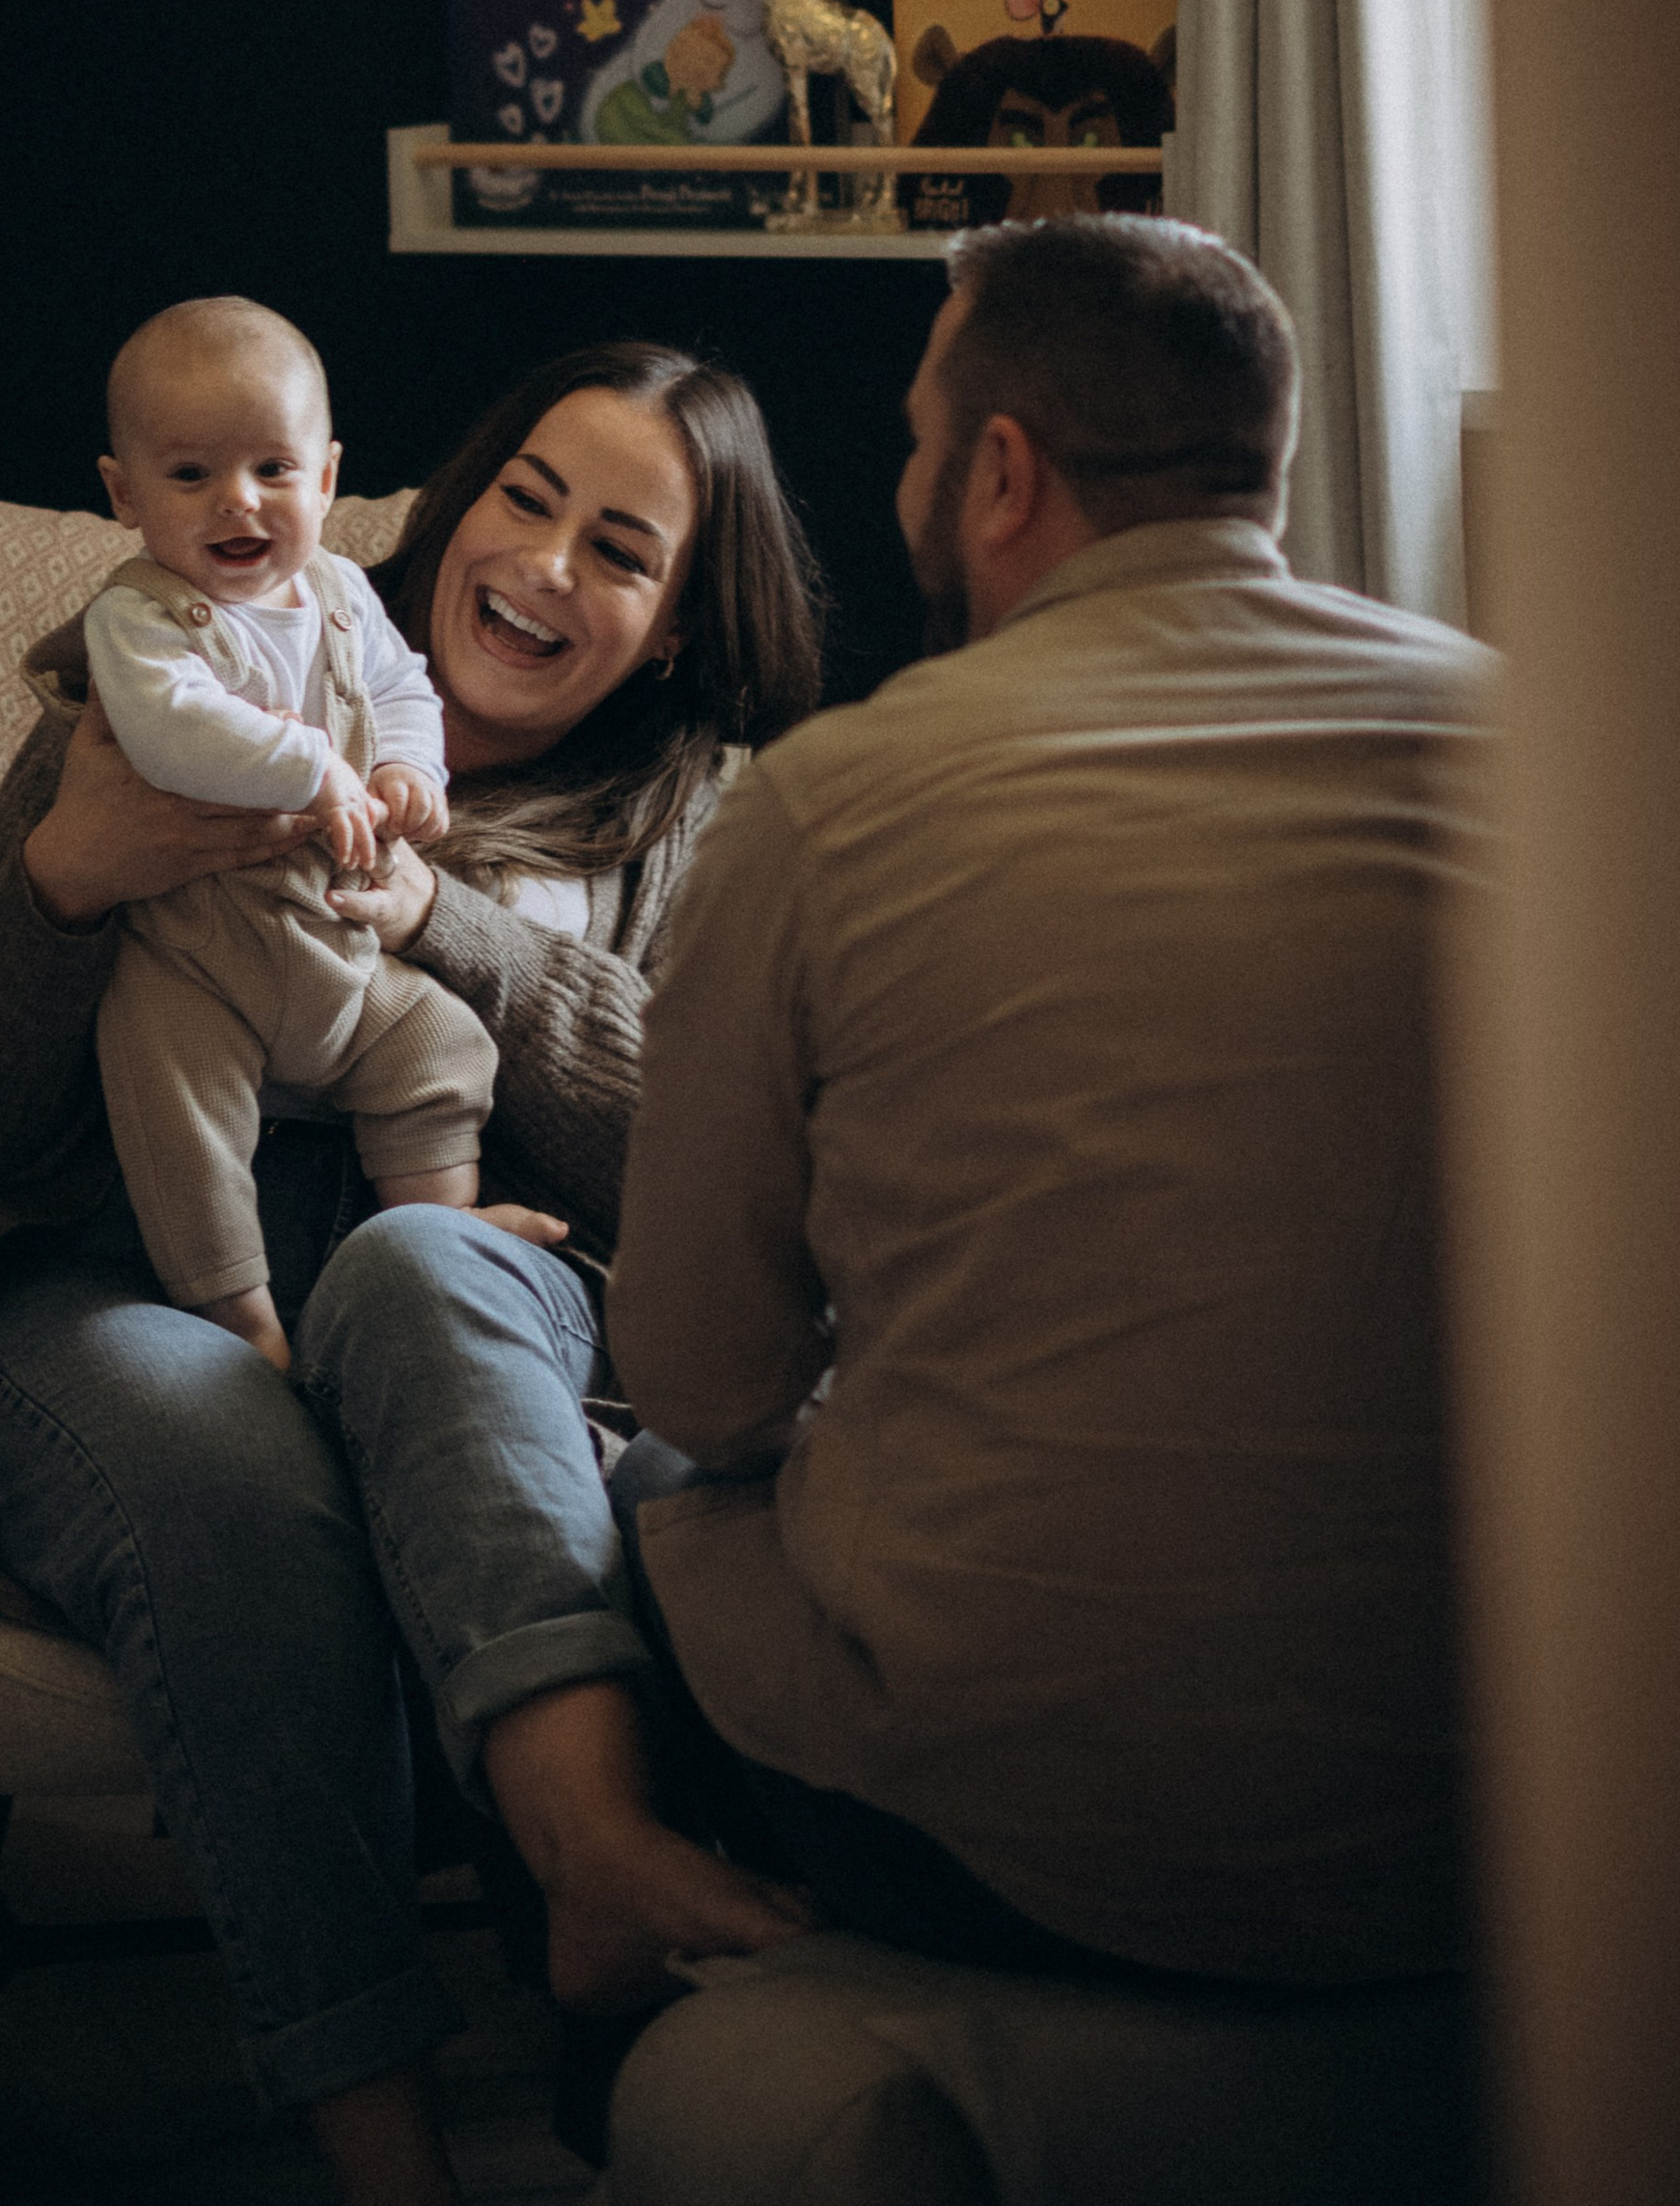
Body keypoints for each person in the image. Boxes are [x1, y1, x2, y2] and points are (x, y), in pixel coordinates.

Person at [0, 338, 825, 2206]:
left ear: (682, 630)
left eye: (618, 549)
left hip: (492, 1306)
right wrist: (69, 877)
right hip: (118, 1277)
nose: (540, 566)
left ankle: (620, 1949)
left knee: (490, 1346)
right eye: (524, 498)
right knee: (227, 1467)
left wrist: (443, 920)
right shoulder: (172, 659)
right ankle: (386, 2155)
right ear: (450, 499)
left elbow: (713, 1154)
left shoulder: (704, 815)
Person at [594, 215, 1496, 2006]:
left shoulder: (829, 804)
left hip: (1027, 1849)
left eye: (924, 438)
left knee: (654, 1471)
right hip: (1494, 1817)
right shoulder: (1522, 739)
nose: (912, 473)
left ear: (1003, 474)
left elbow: (704, 1378)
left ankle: (621, 2009)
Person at [66, 297, 485, 1374]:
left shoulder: (343, 593)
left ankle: (444, 1249)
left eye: (273, 468)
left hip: (336, 953)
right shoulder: (137, 618)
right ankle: (237, 1312)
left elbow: (401, 686)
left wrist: (405, 767)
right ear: (122, 492)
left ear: (328, 477)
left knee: (440, 1044)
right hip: (199, 961)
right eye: (192, 474)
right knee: (174, 1103)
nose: (238, 501)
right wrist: (316, 765)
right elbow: (173, 732)